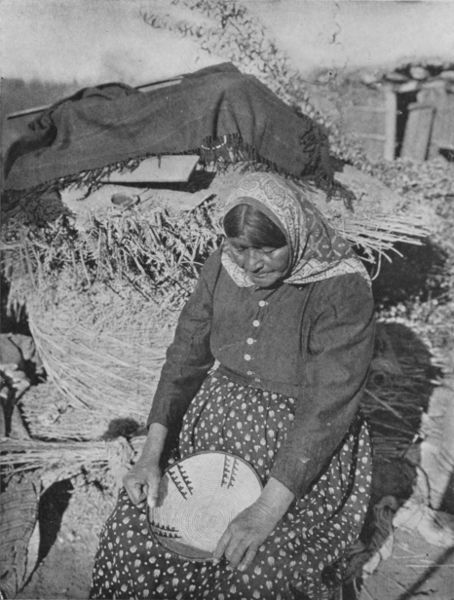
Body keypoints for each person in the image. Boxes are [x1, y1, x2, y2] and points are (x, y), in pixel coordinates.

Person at [90, 172, 375, 600]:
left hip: (300, 461)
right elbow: (185, 356)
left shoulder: (341, 287)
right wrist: (150, 456)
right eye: (240, 248)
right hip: (215, 438)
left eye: (267, 248)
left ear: (295, 236)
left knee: (256, 569)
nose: (251, 263)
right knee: (131, 535)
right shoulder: (223, 266)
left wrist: (264, 511)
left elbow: (327, 407)